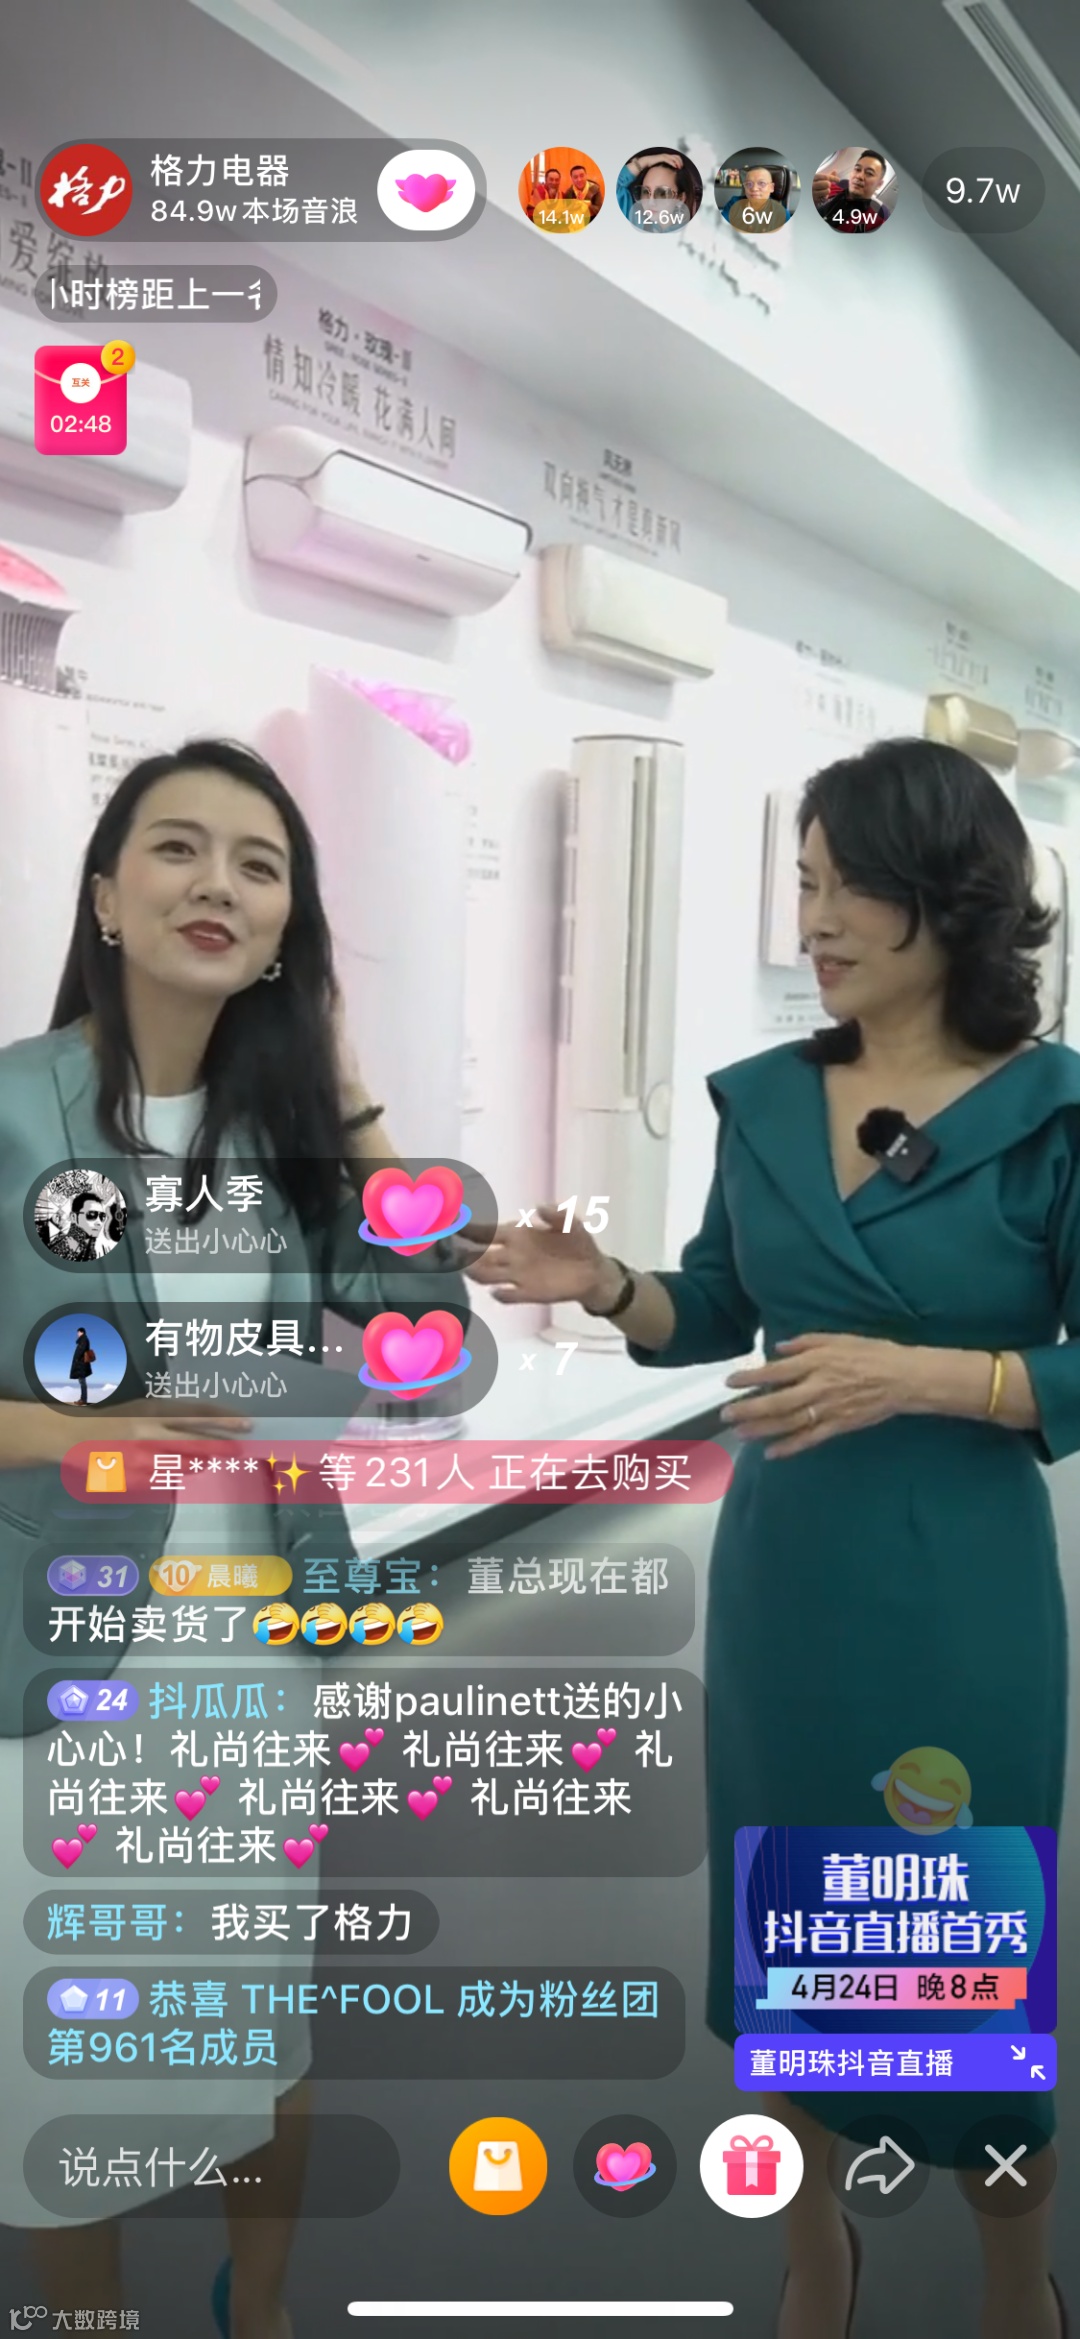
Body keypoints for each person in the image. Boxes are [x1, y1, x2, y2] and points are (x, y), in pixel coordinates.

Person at [462, 737, 1071, 2339]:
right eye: (804, 883)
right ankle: (817, 2254)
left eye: (849, 884)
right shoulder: (768, 1100)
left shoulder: (1057, 1113)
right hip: (789, 1585)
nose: (816, 918)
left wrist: (926, 1374)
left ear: (953, 894)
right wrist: (603, 1285)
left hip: (961, 1586)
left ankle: (1017, 2275)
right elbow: (717, 1303)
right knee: (793, 1956)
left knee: (963, 1956)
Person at [0, 739, 465, 2335]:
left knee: (257, 2020)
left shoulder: (285, 1131)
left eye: (259, 866)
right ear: (106, 896)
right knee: (67, 2045)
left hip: (254, 1653)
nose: (217, 883)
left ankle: (253, 2307)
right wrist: (66, 1430)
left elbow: (426, 1341)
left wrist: (344, 1080)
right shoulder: (13, 1109)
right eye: (178, 848)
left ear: (286, 928)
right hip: (63, 1660)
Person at [815, 149, 892, 233]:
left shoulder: (877, 223)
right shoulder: (829, 188)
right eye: (857, 169)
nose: (859, 176)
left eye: (869, 173)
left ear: (879, 184)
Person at [40, 1186, 117, 1261]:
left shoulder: (91, 1252)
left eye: (102, 1216)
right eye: (91, 1215)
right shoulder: (65, 1245)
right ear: (73, 1217)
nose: (99, 1222)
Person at [722, 161, 792, 234]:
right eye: (749, 184)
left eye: (762, 183)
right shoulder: (734, 203)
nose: (754, 189)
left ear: (771, 187)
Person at [68, 1323, 93, 1401]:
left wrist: (77, 1359)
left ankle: (83, 1399)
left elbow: (81, 1350)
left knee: (82, 1381)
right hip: (81, 1364)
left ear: (81, 1332)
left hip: (81, 1364)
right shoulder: (83, 1340)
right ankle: (83, 1399)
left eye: (78, 1332)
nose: (77, 1334)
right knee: (82, 1381)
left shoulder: (84, 1339)